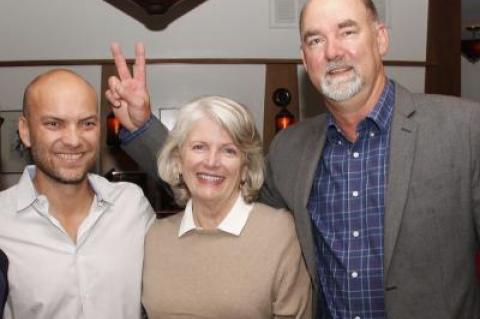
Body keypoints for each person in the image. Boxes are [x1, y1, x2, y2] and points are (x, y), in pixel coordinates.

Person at [105, 0, 480, 317]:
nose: (332, 50)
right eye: (316, 39)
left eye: (347, 31)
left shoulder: (464, 129)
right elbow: (217, 185)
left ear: (380, 38)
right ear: (305, 57)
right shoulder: (291, 149)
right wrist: (141, 127)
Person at [0, 69, 155, 319]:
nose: (73, 140)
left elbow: (202, 196)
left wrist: (145, 130)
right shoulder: (3, 223)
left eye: (87, 124)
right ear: (25, 131)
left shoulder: (131, 205)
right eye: (53, 123)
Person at [141, 95, 311, 318]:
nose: (211, 162)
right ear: (178, 161)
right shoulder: (155, 235)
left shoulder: (278, 231)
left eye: (228, 150)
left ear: (245, 168)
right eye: (199, 147)